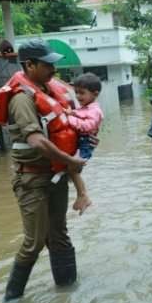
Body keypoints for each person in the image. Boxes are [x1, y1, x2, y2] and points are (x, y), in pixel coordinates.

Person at [0, 39, 86, 301]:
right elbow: (36, 140)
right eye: (47, 65)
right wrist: (70, 161)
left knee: (59, 235)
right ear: (29, 65)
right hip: (31, 178)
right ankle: (12, 302)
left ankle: (68, 293)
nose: (53, 70)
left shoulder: (48, 90)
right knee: (33, 242)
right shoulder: (21, 99)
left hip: (55, 175)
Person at [62, 72, 104, 214]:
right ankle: (81, 195)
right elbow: (79, 114)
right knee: (71, 169)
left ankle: (83, 195)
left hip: (85, 143)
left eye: (82, 93)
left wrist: (69, 119)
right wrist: (72, 113)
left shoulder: (95, 110)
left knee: (73, 168)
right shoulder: (86, 107)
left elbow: (87, 126)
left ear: (95, 94)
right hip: (82, 142)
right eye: (76, 93)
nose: (78, 97)